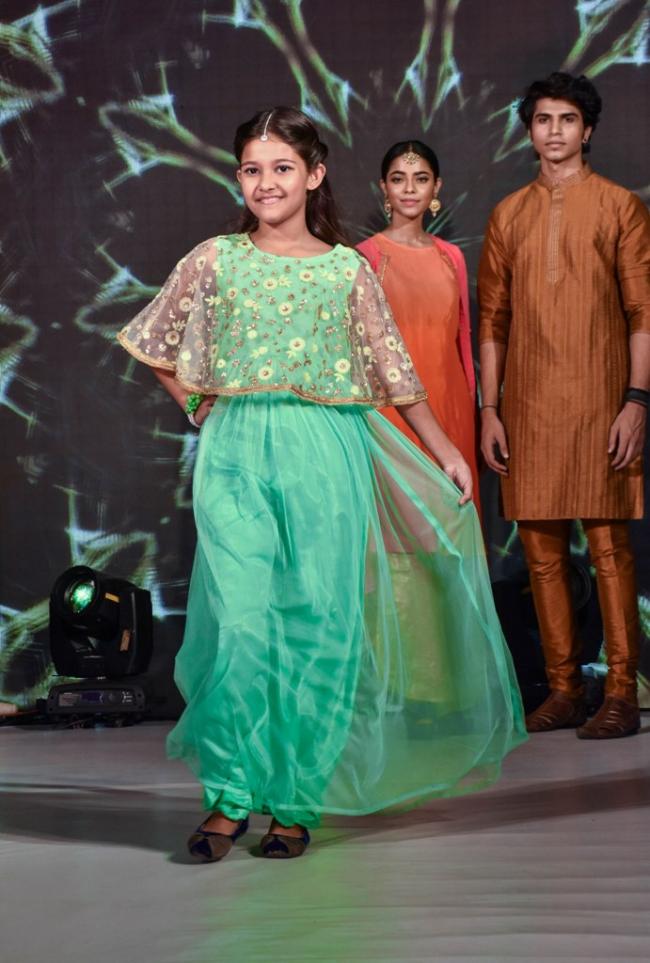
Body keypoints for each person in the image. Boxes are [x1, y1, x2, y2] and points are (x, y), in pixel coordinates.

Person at [118, 106, 525, 862]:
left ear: (314, 174)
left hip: (327, 455)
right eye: (252, 169)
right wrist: (200, 407)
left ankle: (296, 799)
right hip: (237, 454)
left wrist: (444, 449)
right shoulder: (214, 259)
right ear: (238, 177)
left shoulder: (345, 269)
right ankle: (230, 795)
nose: (266, 182)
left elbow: (394, 372)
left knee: (317, 627)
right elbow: (154, 343)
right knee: (240, 626)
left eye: (281, 167)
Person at [478, 72, 650, 739]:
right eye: (544, 119)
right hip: (527, 404)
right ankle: (564, 689)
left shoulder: (619, 207)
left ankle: (621, 692)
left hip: (603, 399)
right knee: (542, 554)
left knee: (609, 549)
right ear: (529, 130)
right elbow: (493, 321)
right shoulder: (509, 214)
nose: (555, 131)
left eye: (568, 119)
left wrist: (636, 400)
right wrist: (490, 410)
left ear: (588, 129)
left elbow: (642, 312)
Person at [357, 141, 480, 511]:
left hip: (451, 404)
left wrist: (470, 407)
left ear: (436, 187)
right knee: (398, 519)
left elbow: (462, 341)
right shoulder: (364, 257)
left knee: (451, 515)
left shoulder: (451, 257)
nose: (409, 189)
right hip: (389, 410)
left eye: (421, 179)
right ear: (384, 187)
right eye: (399, 179)